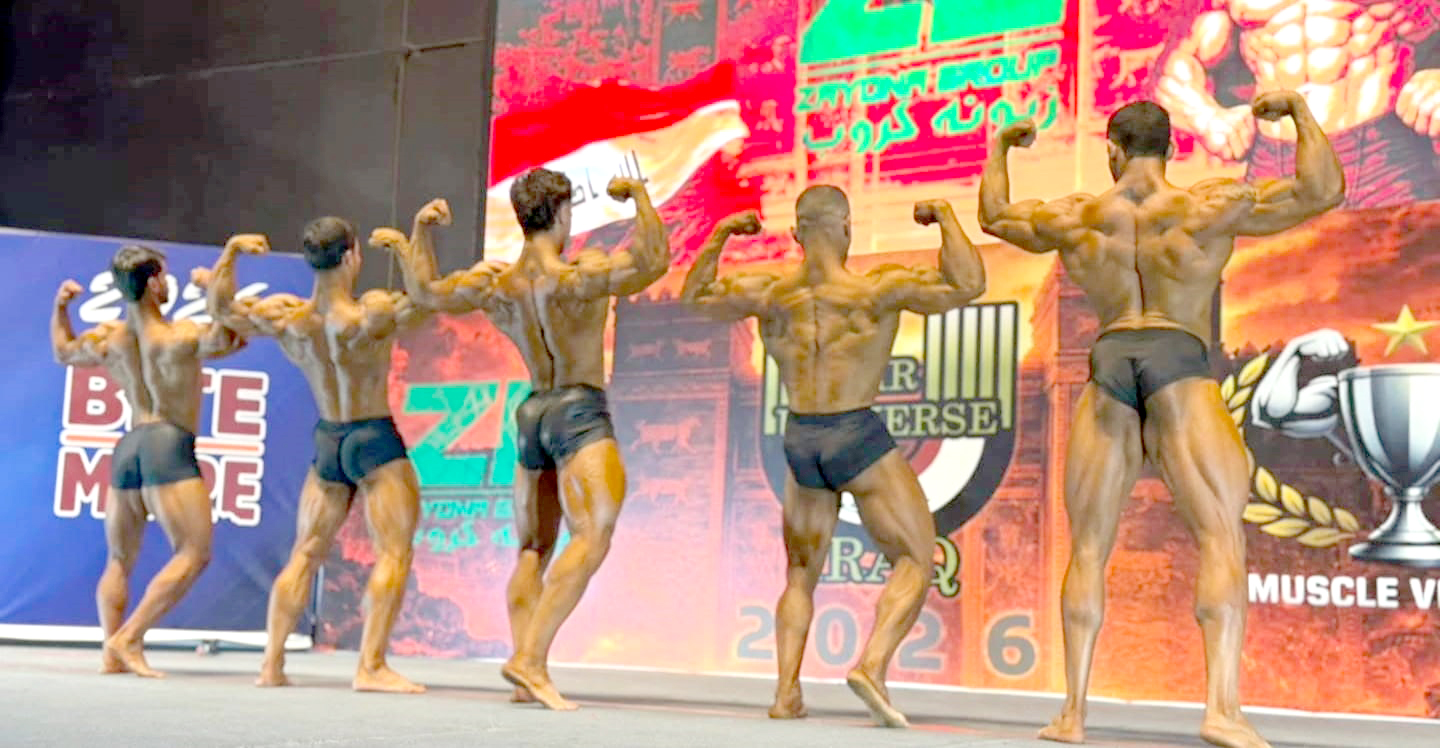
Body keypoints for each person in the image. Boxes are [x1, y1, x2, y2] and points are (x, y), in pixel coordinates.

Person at [978, 93, 1343, 748]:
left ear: (1112, 152)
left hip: (1110, 361)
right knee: (1221, 538)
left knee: (1089, 548)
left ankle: (1071, 715)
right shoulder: (1207, 206)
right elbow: (1322, 190)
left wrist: (1001, 147)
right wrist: (1297, 113)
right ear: (1171, 149)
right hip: (1180, 358)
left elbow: (996, 215)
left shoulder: (1079, 215)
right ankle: (1221, 712)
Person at [679, 188, 985, 727]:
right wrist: (944, 217)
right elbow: (967, 283)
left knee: (800, 573)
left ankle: (786, 694)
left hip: (801, 437)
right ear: (846, 227)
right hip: (854, 433)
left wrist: (722, 233)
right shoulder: (874, 290)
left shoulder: (771, 293)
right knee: (916, 559)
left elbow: (695, 298)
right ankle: (871, 666)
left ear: (797, 234)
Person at [375, 171, 670, 710]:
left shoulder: (497, 284)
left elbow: (424, 291)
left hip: (533, 412)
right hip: (579, 411)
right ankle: (530, 660)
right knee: (594, 532)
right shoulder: (579, 276)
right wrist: (641, 198)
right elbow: (653, 261)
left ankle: (525, 671)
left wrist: (421, 230)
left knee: (533, 549)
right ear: (562, 213)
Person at [201, 223, 427, 693]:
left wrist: (231, 252)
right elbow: (427, 299)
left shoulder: (289, 319)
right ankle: (370, 667)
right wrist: (410, 248)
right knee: (394, 551)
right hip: (373, 437)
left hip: (329, 438)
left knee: (305, 553)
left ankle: (271, 664)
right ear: (351, 256)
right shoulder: (370, 313)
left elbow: (221, 309)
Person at [51, 243, 247, 678]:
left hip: (129, 445)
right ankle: (129, 637)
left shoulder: (110, 338)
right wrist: (213, 290)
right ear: (155, 282)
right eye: (166, 276)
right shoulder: (180, 336)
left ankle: (111, 654)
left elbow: (63, 351)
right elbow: (233, 336)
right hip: (167, 443)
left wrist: (61, 308)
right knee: (194, 552)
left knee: (119, 560)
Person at [1151, 0, 1437, 207]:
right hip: (1275, 163)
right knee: (1274, 272)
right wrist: (1206, 118)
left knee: (1410, 269)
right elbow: (1174, 67)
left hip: (1382, 156)